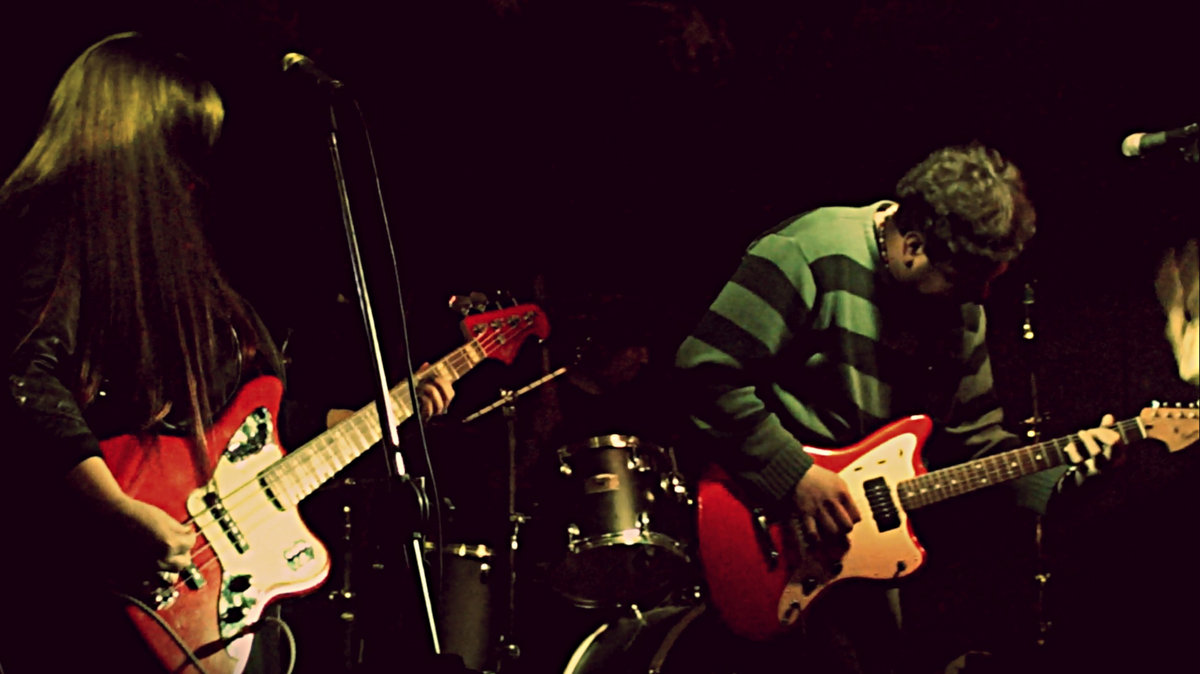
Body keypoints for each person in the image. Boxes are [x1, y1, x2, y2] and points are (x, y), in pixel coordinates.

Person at [0, 33, 454, 674]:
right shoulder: (55, 219)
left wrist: (380, 415)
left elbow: (250, 419)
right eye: (180, 144)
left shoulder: (165, 259)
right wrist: (117, 510)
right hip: (100, 579)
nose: (192, 174)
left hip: (208, 576)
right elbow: (24, 374)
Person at [674, 142, 1119, 674]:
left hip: (863, 561)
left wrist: (1064, 470)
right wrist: (795, 475)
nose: (978, 297)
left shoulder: (962, 313)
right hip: (762, 530)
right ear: (913, 246)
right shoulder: (807, 251)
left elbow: (977, 446)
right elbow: (703, 370)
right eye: (966, 279)